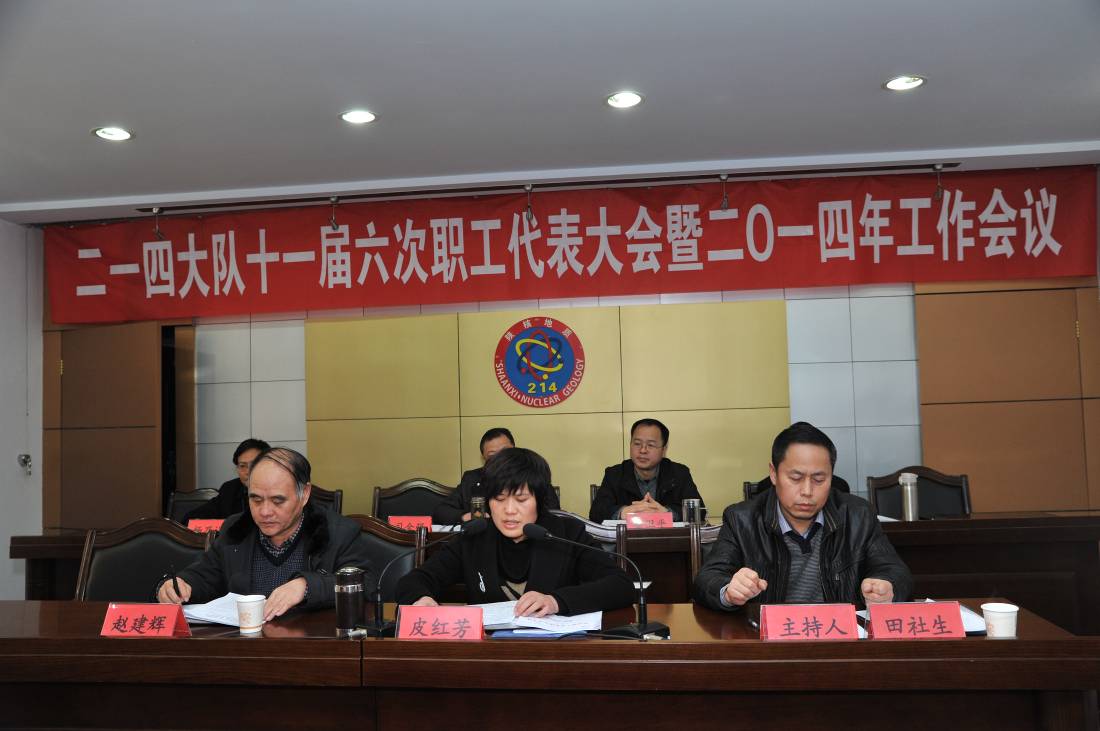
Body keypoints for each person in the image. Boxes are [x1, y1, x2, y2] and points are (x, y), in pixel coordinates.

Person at [693, 422, 912, 611]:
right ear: (773, 473)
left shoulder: (858, 515)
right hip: (769, 640)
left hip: (836, 637)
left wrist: (887, 586)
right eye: (796, 478)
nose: (807, 491)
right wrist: (729, 591)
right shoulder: (742, 519)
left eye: (819, 480)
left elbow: (895, 571)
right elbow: (707, 579)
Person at [398, 447, 634, 617]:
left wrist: (556, 602)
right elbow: (413, 581)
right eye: (499, 499)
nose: (509, 511)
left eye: (521, 500)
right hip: (488, 655)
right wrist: (422, 599)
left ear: (539, 500)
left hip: (554, 655)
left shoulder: (566, 534)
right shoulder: (475, 537)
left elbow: (621, 585)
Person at [157, 447, 375, 621]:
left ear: (304, 494)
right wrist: (178, 586)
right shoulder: (236, 529)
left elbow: (366, 584)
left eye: (278, 500)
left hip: (313, 649)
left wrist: (307, 586)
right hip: (246, 648)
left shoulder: (337, 532)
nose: (265, 512)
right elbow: (205, 576)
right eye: (256, 499)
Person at [432, 427, 559, 524]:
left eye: (505, 451)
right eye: (493, 456)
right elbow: (441, 512)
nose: (501, 459)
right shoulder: (472, 478)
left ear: (515, 449)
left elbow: (554, 514)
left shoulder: (532, 474)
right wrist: (467, 516)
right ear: (484, 459)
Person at [589, 418, 703, 523]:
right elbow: (595, 513)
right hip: (626, 538)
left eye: (651, 445)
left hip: (667, 538)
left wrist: (668, 513)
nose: (643, 450)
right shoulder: (615, 474)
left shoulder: (679, 473)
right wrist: (622, 512)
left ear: (664, 450)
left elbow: (700, 511)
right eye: (637, 444)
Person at [184, 438, 270, 522]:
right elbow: (192, 517)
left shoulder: (276, 490)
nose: (248, 471)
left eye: (254, 464)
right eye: (242, 466)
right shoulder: (230, 489)